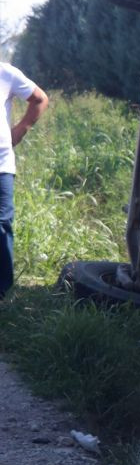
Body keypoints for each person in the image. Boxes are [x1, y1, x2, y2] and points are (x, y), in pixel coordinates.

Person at [1, 63, 49, 298]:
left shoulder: (5, 73)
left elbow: (39, 99)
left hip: (0, 166)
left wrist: (20, 129)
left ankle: (3, 293)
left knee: (1, 225)